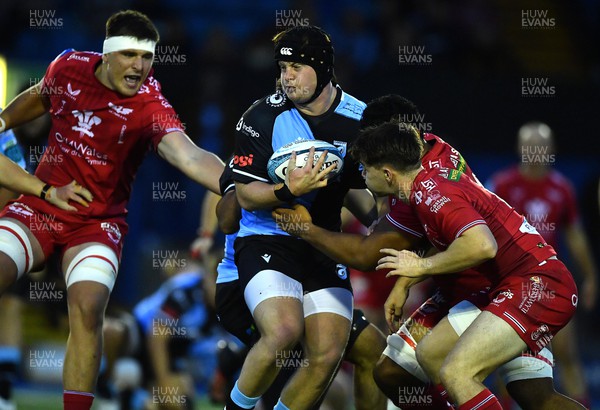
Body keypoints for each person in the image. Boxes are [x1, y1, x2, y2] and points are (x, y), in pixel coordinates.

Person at [275, 94, 585, 410]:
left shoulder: (429, 190)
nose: (361, 168)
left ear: (389, 153)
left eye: (369, 153)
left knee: (459, 374)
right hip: (489, 287)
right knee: (399, 369)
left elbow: (371, 254)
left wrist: (306, 229)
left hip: (517, 286)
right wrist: (404, 282)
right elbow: (429, 237)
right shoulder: (430, 158)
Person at [0, 10, 224, 410]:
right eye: (131, 55)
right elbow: (39, 97)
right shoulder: (68, 67)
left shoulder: (149, 104)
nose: (140, 66)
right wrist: (2, 121)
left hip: (98, 224)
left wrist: (236, 183)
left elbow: (187, 156)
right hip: (43, 204)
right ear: (107, 55)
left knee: (87, 308)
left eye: (147, 57)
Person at [350, 120, 578, 409]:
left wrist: (420, 268)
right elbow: (451, 236)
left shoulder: (433, 196)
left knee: (458, 373)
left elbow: (481, 245)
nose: (363, 176)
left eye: (365, 169)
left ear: (387, 173)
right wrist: (405, 283)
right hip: (501, 286)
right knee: (430, 354)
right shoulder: (430, 171)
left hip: (537, 283)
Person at [228, 25, 377, 410]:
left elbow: (360, 187)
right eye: (282, 67)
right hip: (267, 239)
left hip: (323, 242)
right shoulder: (260, 117)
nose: (286, 77)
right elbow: (244, 195)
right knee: (283, 332)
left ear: (324, 69)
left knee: (327, 354)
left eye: (296, 67)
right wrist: (287, 190)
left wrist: (381, 217)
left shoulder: (362, 120)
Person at [214, 161, 386, 410]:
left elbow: (358, 203)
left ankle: (234, 361)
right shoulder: (256, 141)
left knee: (370, 348)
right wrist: (279, 188)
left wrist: (387, 220)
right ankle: (236, 374)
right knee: (288, 341)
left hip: (309, 275)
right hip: (247, 280)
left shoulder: (331, 146)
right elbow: (226, 220)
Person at [487, 122, 598, 407]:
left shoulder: (562, 189)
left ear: (552, 150)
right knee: (507, 361)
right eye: (530, 146)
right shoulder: (501, 185)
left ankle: (581, 402)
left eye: (542, 146)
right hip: (512, 285)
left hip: (551, 285)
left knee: (567, 354)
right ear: (519, 149)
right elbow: (483, 233)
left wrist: (590, 276)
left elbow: (574, 236)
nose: (536, 152)